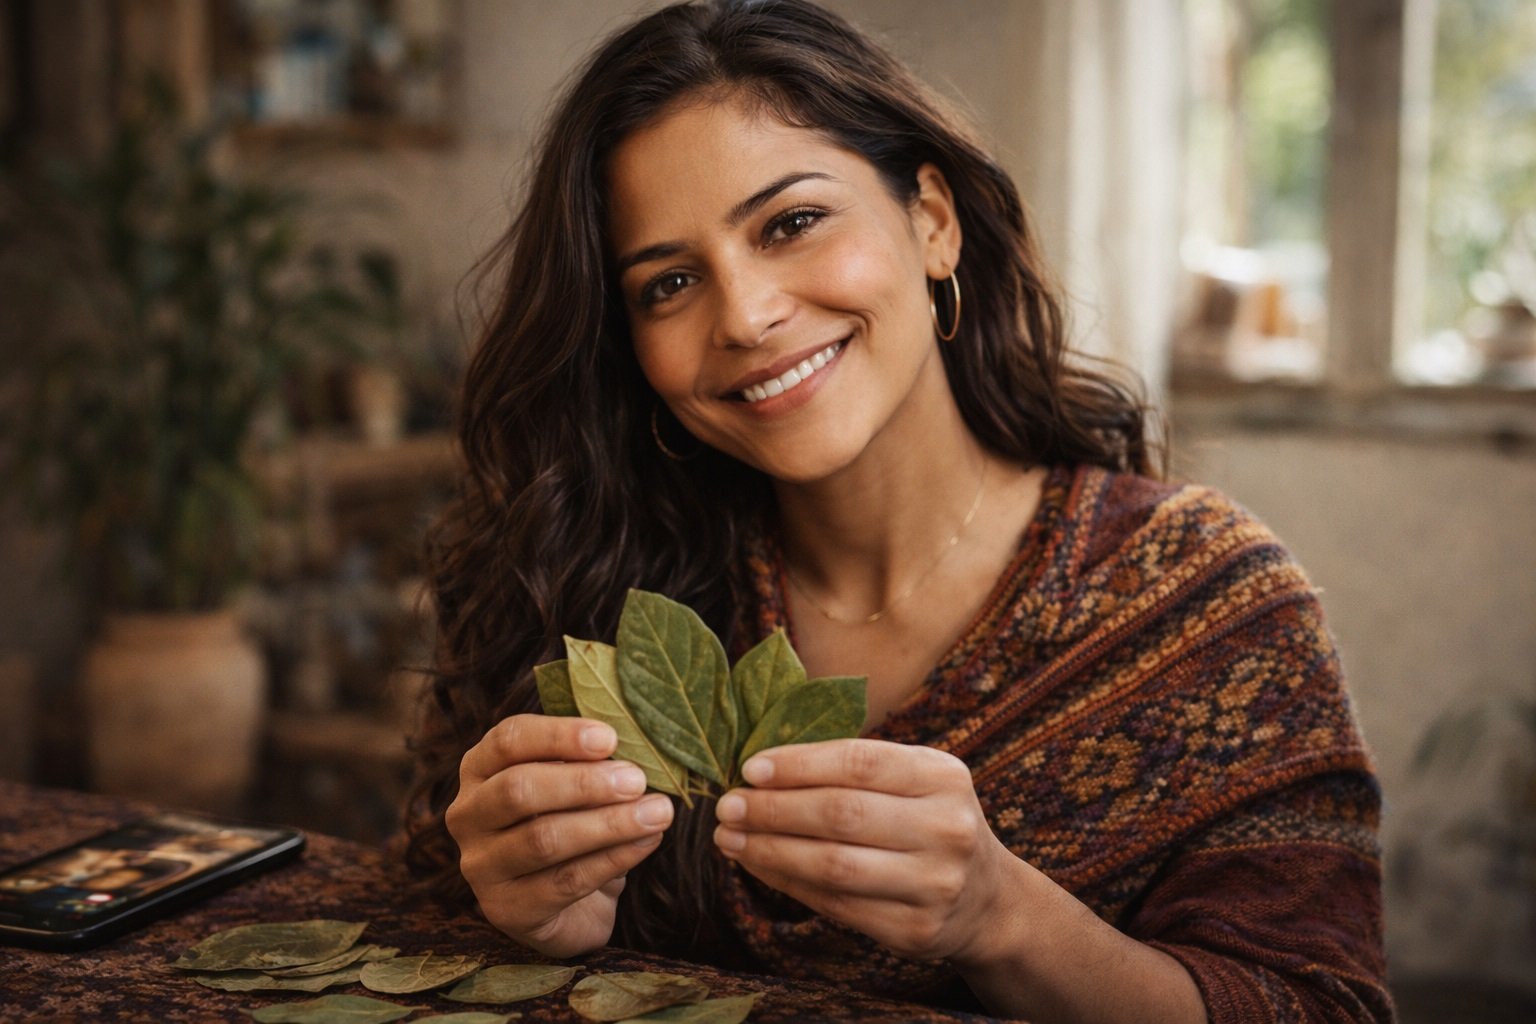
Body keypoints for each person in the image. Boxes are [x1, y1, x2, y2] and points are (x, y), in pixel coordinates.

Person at [404, 2, 1392, 1020]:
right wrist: (520, 921)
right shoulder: (588, 592)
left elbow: (1320, 1010)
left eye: (791, 224)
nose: (745, 316)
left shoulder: (1208, 602)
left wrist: (1002, 916)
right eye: (670, 282)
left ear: (932, 221)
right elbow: (415, 927)